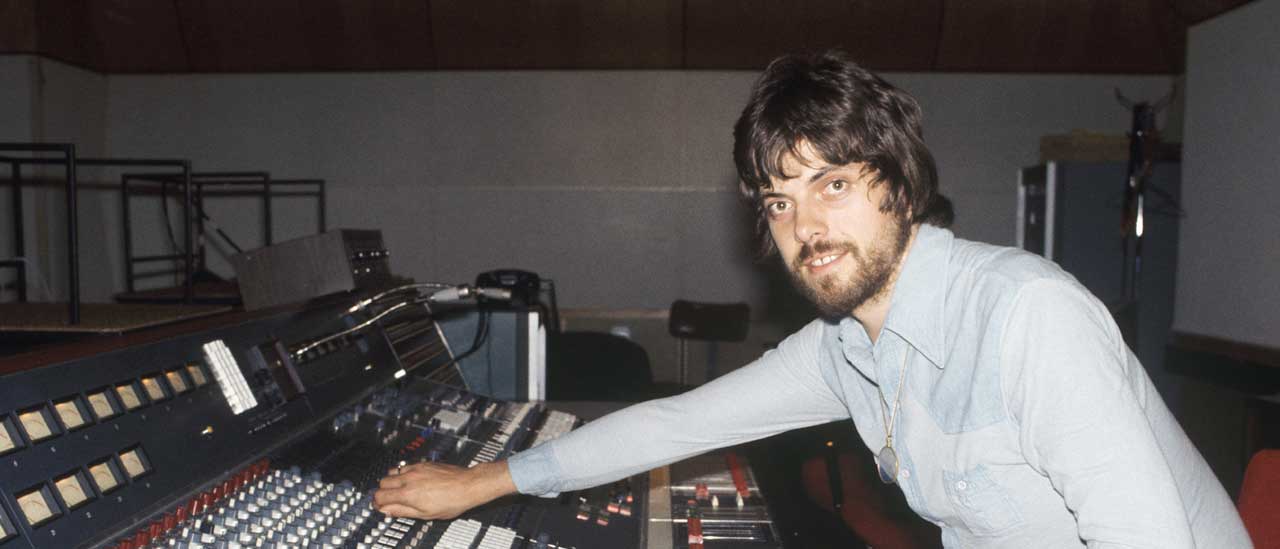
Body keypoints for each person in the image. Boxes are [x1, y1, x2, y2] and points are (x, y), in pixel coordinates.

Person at [373, 50, 1250, 548]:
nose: (806, 227)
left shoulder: (1028, 318)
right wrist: (477, 482)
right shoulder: (846, 348)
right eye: (779, 202)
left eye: (833, 184)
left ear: (899, 186)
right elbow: (675, 424)